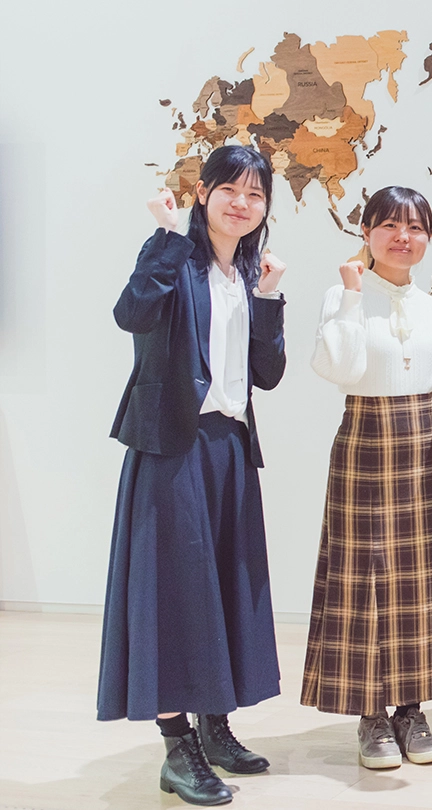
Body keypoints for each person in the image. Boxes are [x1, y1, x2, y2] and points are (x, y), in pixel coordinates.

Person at [98, 144, 287, 806]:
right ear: (203, 193)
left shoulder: (247, 274)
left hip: (229, 450)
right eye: (230, 188)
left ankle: (215, 724)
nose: (243, 201)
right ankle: (177, 745)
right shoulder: (176, 259)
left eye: (256, 193)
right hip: (173, 446)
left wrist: (268, 298)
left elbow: (266, 374)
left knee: (225, 590)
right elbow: (132, 314)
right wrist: (164, 237)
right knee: (176, 595)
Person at [304, 186, 432, 769]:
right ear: (367, 231)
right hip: (365, 443)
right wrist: (351, 298)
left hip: (425, 448)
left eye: (417, 228)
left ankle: (411, 709)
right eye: (390, 225)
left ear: (428, 238)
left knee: (420, 580)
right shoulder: (343, 293)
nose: (404, 237)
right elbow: (338, 368)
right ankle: (371, 715)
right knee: (364, 577)